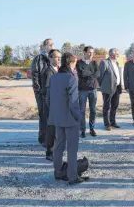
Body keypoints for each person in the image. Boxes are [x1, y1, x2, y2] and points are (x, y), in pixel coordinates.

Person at [46, 52, 87, 185]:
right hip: (70, 119)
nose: (75, 65)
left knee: (58, 146)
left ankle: (57, 173)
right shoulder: (71, 78)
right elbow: (74, 103)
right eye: (74, 63)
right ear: (70, 63)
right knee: (72, 148)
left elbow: (48, 99)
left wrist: (56, 112)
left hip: (57, 118)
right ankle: (72, 177)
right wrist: (79, 118)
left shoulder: (54, 78)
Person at [31, 38, 54, 146]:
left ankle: (51, 137)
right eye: (49, 44)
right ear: (44, 46)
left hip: (52, 91)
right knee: (43, 115)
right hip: (41, 92)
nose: (51, 46)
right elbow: (35, 75)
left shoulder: (53, 58)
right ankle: (43, 138)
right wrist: (38, 90)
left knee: (51, 115)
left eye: (52, 44)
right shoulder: (38, 58)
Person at [41, 49, 61, 161]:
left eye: (60, 57)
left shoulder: (55, 70)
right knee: (51, 130)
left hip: (55, 105)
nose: (59, 59)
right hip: (51, 107)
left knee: (55, 130)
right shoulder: (49, 72)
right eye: (56, 57)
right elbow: (47, 92)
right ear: (50, 58)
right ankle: (50, 153)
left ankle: (54, 150)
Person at [76, 46, 100, 138]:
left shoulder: (94, 63)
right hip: (82, 90)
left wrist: (90, 73)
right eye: (89, 52)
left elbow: (98, 73)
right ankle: (82, 130)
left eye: (92, 52)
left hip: (93, 90)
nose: (91, 54)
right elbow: (82, 74)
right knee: (82, 111)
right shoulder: (79, 63)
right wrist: (92, 74)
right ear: (84, 53)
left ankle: (92, 129)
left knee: (93, 110)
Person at [98, 48, 122, 131]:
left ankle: (113, 122)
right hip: (107, 88)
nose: (118, 55)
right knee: (106, 107)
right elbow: (99, 76)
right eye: (117, 54)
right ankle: (107, 124)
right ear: (112, 54)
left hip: (116, 88)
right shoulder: (104, 63)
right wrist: (103, 86)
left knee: (114, 106)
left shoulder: (117, 63)